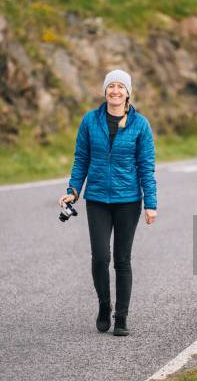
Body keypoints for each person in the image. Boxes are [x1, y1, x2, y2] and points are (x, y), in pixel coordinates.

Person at [58, 69, 158, 336]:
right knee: (101, 257)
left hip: (129, 201)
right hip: (98, 199)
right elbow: (81, 159)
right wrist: (73, 190)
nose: (115, 91)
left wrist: (151, 203)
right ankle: (105, 305)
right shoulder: (90, 121)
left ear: (128, 93)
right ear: (105, 91)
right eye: (110, 86)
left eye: (120, 87)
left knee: (122, 259)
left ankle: (121, 317)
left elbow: (146, 167)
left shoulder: (140, 124)